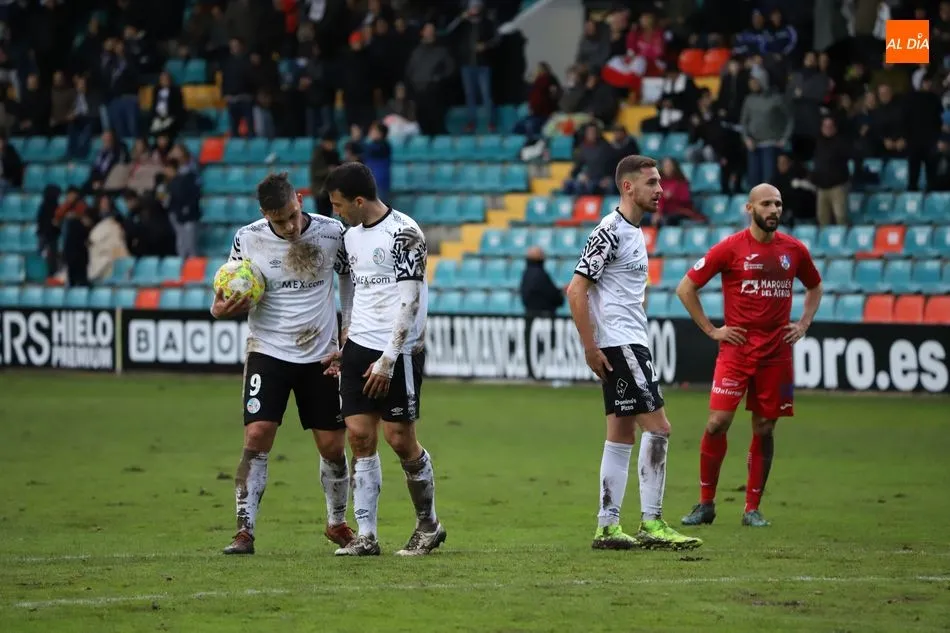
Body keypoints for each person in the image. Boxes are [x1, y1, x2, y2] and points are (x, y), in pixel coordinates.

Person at [211, 172, 356, 555]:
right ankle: (244, 530)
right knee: (256, 435)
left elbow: (348, 278)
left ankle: (337, 522)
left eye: (293, 215)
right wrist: (219, 307)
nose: (290, 227)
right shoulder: (248, 237)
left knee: (332, 447)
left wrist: (347, 331)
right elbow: (230, 283)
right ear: (265, 215)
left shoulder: (331, 232)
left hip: (321, 354)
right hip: (268, 351)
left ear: (301, 200)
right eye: (280, 221)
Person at [566, 155, 702, 551]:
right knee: (659, 428)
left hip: (623, 340)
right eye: (653, 183)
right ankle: (653, 522)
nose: (662, 190)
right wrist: (591, 347)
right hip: (620, 343)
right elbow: (576, 289)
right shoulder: (609, 232)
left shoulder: (632, 231)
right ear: (628, 187)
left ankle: (607, 526)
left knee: (621, 433)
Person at [676, 183, 823, 528]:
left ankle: (752, 508)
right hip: (736, 351)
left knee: (765, 427)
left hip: (777, 355)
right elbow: (685, 288)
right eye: (767, 204)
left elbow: (814, 286)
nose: (774, 210)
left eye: (778, 204)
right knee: (717, 423)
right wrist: (712, 330)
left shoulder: (794, 250)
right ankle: (705, 504)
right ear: (750, 208)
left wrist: (802, 324)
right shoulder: (730, 248)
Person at [324, 162, 445, 557]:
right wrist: (346, 332)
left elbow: (409, 300)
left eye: (340, 205)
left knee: (399, 439)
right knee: (359, 437)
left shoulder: (405, 234)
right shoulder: (350, 236)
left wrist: (389, 358)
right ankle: (367, 535)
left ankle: (428, 525)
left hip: (400, 350)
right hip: (359, 344)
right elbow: (350, 283)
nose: (337, 212)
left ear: (359, 201)